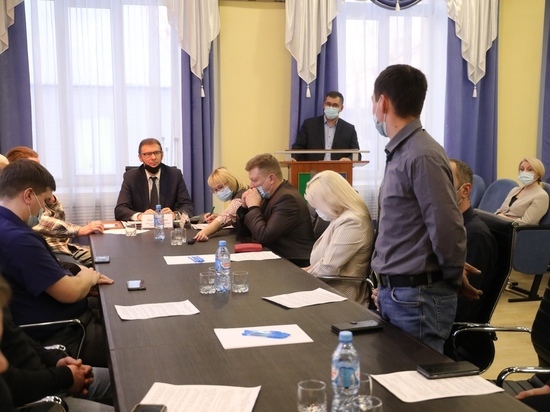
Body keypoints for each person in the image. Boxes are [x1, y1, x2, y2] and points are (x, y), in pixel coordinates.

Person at [370, 64, 466, 353]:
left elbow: (446, 227)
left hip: (417, 299)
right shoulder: (403, 151)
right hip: (399, 294)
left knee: (416, 381)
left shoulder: (421, 154)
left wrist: (452, 275)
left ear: (383, 102)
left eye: (373, 102)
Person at [0, 159, 114, 367]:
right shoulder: (19, 239)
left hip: (58, 321)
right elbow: (69, 292)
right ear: (28, 195)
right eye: (44, 201)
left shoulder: (8, 226)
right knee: (135, 344)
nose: (44, 209)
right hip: (66, 332)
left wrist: (80, 279)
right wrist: (88, 276)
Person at [6, 146, 103, 267]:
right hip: (50, 250)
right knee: (86, 272)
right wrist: (79, 230)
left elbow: (60, 218)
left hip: (63, 246)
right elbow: (40, 222)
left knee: (105, 257)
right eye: (34, 166)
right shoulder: (16, 197)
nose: (39, 170)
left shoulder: (37, 190)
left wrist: (51, 200)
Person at [2, 305, 114, 410]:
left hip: (49, 379)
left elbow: (16, 335)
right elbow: (12, 385)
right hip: (38, 403)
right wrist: (66, 376)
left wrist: (56, 362)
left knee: (120, 380)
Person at [302, 170, 374, 304]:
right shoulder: (340, 216)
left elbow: (328, 268)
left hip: (341, 295)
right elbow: (322, 262)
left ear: (330, 199)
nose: (317, 210)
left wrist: (299, 278)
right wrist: (299, 272)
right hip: (326, 288)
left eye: (317, 205)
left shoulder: (352, 222)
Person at [236, 153, 314, 266]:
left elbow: (264, 236)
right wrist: (244, 207)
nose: (251, 185)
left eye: (255, 180)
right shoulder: (268, 194)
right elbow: (244, 232)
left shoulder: (287, 199)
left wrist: (253, 207)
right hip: (274, 256)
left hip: (293, 262)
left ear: (271, 179)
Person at [449, 159, 498, 321]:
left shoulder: (475, 235)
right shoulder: (445, 228)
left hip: (452, 327)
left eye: (444, 182)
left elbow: (464, 305)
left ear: (465, 190)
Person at [114, 138, 194, 221]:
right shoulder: (131, 177)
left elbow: (188, 206)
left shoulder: (175, 175)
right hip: (142, 226)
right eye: (148, 154)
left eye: (156, 153)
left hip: (167, 226)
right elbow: (120, 210)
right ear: (140, 157)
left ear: (162, 155)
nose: (153, 157)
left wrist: (175, 215)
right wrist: (140, 216)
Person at [291, 91, 360, 161]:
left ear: (341, 108)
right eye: (328, 104)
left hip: (338, 167)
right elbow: (298, 148)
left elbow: (357, 155)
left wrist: (349, 159)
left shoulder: (349, 129)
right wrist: (293, 158)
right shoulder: (309, 125)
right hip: (313, 167)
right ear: (324, 105)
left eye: (335, 105)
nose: (331, 107)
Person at [194, 167, 248, 242]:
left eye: (221, 187)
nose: (219, 192)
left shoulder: (240, 198)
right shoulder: (240, 193)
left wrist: (203, 233)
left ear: (231, 181)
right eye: (215, 190)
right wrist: (217, 217)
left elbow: (224, 217)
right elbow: (233, 216)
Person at [496, 157, 549, 225]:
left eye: (530, 170)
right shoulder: (515, 190)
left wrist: (502, 218)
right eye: (522, 169)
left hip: (513, 229)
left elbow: (526, 223)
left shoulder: (541, 196)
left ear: (538, 175)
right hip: (499, 224)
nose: (524, 172)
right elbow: (500, 211)